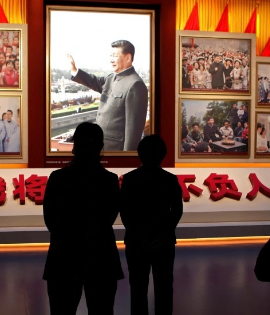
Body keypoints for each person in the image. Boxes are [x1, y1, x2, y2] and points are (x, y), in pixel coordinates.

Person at [43, 122, 123, 315]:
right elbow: (108, 217)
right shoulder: (109, 180)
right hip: (101, 255)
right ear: (100, 147)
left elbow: (51, 219)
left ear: (74, 146)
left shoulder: (58, 178)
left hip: (64, 256)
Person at [120, 135, 183, 315]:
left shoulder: (130, 179)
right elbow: (176, 211)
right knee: (164, 288)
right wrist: (161, 236)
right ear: (162, 154)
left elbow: (125, 212)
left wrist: (141, 236)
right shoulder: (170, 180)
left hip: (136, 242)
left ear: (140, 154)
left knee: (138, 289)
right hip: (164, 242)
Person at [68, 40, 148, 151]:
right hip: (100, 148)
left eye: (115, 56)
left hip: (115, 151)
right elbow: (94, 81)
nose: (111, 60)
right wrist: (75, 70)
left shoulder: (135, 85)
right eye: (111, 55)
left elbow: (133, 130)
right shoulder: (111, 77)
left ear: (128, 58)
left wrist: (126, 158)